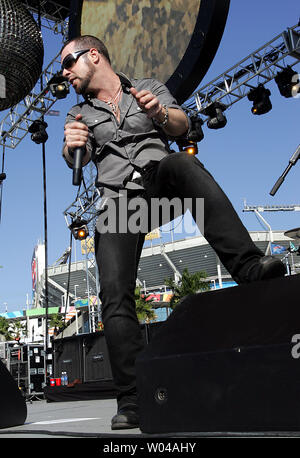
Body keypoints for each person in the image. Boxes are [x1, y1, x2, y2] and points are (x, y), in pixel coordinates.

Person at [61, 35, 285, 430]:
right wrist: (72, 145)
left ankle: (248, 267)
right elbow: (71, 153)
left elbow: (183, 125)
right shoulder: (78, 113)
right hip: (117, 204)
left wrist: (161, 114)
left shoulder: (148, 87)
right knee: (114, 294)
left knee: (182, 163)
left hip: (157, 185)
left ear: (93, 55)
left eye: (69, 63)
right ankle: (132, 400)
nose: (65, 74)